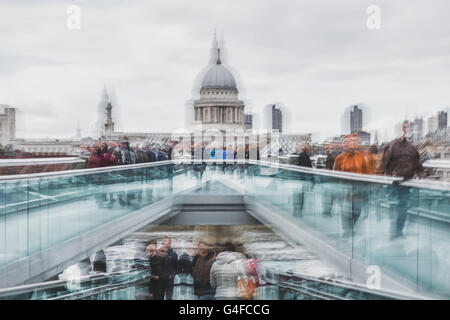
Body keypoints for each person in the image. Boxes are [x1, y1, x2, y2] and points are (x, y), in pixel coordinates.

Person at [378, 120, 424, 239]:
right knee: (395, 209)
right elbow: (382, 165)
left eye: (408, 128)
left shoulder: (412, 148)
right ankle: (394, 232)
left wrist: (423, 179)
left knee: (402, 210)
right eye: (405, 128)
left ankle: (398, 232)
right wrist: (380, 181)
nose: (407, 131)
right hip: (392, 185)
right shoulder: (391, 146)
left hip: (405, 186)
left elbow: (418, 165)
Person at [333, 134, 369, 236]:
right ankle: (347, 231)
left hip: (358, 190)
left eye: (350, 141)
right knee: (345, 213)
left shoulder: (360, 156)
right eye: (345, 142)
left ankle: (351, 227)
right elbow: (334, 175)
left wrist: (366, 187)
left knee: (357, 212)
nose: (347, 144)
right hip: (345, 191)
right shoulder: (339, 158)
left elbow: (366, 173)